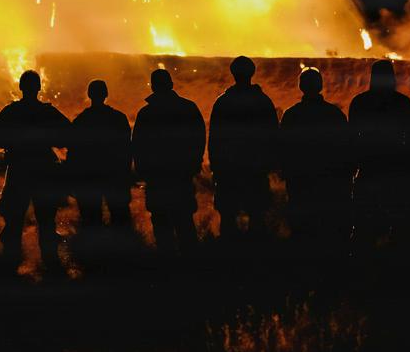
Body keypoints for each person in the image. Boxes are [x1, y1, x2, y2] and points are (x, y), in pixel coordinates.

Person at [0, 70, 72, 275]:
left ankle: (11, 265)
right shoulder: (47, 112)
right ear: (38, 87)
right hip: (42, 171)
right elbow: (67, 134)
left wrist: (14, 142)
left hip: (19, 170)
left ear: (21, 87)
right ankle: (50, 265)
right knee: (46, 220)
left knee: (13, 220)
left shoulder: (11, 112)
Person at [279, 68, 353, 255]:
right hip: (329, 181)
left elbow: (282, 147)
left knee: (302, 228)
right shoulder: (334, 115)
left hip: (300, 181)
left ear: (300, 87)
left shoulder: (291, 115)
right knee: (327, 226)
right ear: (320, 86)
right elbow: (345, 147)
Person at [132, 68, 205, 257]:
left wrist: (144, 171)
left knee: (162, 224)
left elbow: (138, 145)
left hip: (157, 179)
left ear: (153, 87)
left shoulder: (146, 114)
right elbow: (198, 139)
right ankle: (191, 265)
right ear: (171, 84)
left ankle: (168, 265)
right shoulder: (188, 108)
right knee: (184, 223)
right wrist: (193, 164)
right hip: (181, 177)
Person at [349, 59, 410, 246]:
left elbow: (352, 138)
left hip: (369, 170)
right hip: (395, 172)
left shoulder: (360, 103)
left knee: (364, 229)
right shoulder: (403, 104)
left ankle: (364, 267)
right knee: (397, 229)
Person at [208, 56, 278, 240]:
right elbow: (273, 136)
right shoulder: (263, 102)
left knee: (228, 217)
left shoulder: (222, 102)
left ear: (233, 74)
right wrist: (269, 163)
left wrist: (216, 166)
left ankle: (229, 257)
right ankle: (256, 257)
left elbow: (215, 138)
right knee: (257, 216)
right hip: (256, 170)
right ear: (251, 73)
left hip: (229, 170)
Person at [68, 80, 134, 253]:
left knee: (91, 219)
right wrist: (126, 175)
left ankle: (94, 258)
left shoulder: (81, 120)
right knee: (120, 217)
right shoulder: (118, 119)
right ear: (106, 95)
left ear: (89, 95)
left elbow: (73, 152)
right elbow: (127, 149)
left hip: (89, 178)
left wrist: (73, 177)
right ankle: (125, 256)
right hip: (114, 176)